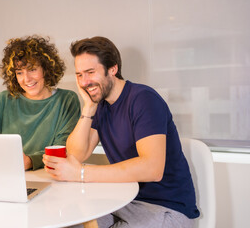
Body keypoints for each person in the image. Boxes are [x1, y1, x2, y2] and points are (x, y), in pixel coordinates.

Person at [43, 36, 199, 227]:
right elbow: (76, 155)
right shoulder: (100, 105)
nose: (84, 82)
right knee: (74, 217)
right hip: (124, 200)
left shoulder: (143, 99)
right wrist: (88, 108)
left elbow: (152, 169)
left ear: (113, 69)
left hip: (165, 207)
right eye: (79, 75)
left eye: (90, 72)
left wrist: (81, 174)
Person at [0, 35, 81, 171]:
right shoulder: (5, 99)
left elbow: (62, 149)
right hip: (6, 175)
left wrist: (30, 161)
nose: (26, 79)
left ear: (46, 69)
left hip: (47, 176)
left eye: (32, 69)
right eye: (19, 73)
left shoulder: (67, 100)